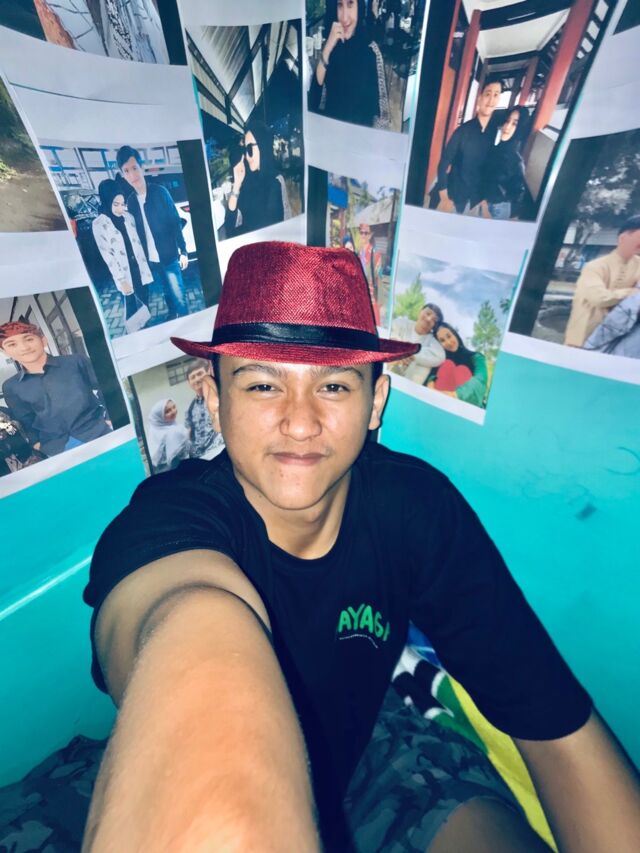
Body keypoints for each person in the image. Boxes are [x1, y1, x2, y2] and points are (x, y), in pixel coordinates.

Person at [82, 242, 640, 853]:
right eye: (263, 384)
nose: (300, 423)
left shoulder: (416, 507)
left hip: (373, 753)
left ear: (375, 403)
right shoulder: (169, 520)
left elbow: (554, 723)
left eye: (334, 386)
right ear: (215, 401)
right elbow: (182, 623)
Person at [0, 321, 112, 456]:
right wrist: (37, 443)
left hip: (97, 431)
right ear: (4, 351)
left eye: (29, 339)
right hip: (56, 446)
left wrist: (110, 417)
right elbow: (25, 419)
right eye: (12, 344)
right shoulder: (11, 386)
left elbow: (106, 386)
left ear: (43, 340)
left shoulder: (75, 362)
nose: (24, 347)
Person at [116, 145, 190, 320]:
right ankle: (172, 315)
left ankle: (185, 320)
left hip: (169, 256)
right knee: (166, 290)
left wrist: (183, 251)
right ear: (123, 175)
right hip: (152, 260)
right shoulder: (131, 202)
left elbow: (175, 223)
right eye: (126, 171)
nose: (132, 175)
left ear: (142, 167)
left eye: (134, 168)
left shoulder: (160, 193)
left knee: (178, 295)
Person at [308, 0, 390, 129]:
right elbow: (312, 104)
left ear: (359, 7)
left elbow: (382, 117)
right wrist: (328, 48)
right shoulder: (331, 46)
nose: (344, 17)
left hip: (359, 137)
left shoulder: (371, 51)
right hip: (330, 133)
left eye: (350, 4)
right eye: (340, 5)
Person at [564, 216, 640, 347]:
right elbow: (599, 298)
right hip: (583, 338)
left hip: (616, 340)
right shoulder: (595, 266)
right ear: (623, 238)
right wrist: (632, 292)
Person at [92, 178, 153, 331]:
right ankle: (138, 333)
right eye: (116, 204)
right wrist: (121, 280)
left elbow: (138, 244)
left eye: (122, 204)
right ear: (107, 201)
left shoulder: (128, 217)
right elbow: (108, 256)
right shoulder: (99, 224)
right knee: (131, 306)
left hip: (139, 268)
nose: (120, 209)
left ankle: (146, 327)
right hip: (124, 274)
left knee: (144, 300)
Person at [435, 79, 503, 214]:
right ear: (480, 98)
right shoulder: (463, 131)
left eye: (496, 95)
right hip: (456, 194)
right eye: (488, 94)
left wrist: (485, 198)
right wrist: (444, 197)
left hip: (477, 198)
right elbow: (443, 163)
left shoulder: (495, 131)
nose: (491, 100)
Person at [224, 120, 286, 238]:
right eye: (245, 150)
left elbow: (270, 229)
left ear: (263, 147)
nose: (247, 156)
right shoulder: (246, 180)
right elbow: (229, 228)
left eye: (250, 149)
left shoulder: (276, 181)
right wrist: (237, 185)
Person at [478, 106, 529, 221]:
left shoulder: (516, 161)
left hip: (499, 208)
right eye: (507, 121)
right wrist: (484, 204)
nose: (507, 126)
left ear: (520, 129)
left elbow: (517, 194)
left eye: (514, 124)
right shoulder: (496, 149)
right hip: (485, 203)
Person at [426, 321, 488, 407]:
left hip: (466, 407)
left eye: (449, 336)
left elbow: (480, 380)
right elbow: (431, 376)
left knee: (461, 370)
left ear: (455, 334)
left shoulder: (477, 358)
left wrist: (455, 395)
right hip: (439, 404)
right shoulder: (441, 360)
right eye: (442, 340)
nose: (448, 342)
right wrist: (430, 386)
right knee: (447, 364)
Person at [391, 302, 445, 383]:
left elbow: (440, 357)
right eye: (428, 313)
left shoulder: (433, 343)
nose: (428, 319)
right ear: (420, 311)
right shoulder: (401, 323)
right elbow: (390, 333)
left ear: (435, 325)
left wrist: (411, 354)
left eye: (434, 320)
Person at [184, 359, 225, 459]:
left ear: (208, 372)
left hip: (220, 450)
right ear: (189, 383)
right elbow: (190, 435)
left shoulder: (221, 395)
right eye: (193, 377)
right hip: (201, 457)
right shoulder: (190, 409)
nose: (197, 379)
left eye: (200, 374)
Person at [146, 398, 190, 474]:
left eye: (174, 407)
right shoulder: (173, 432)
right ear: (159, 417)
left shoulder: (155, 429)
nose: (173, 411)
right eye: (167, 411)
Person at [357, 222, 383, 324]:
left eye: (366, 233)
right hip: (359, 296)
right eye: (361, 233)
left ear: (370, 235)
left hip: (371, 298)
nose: (363, 235)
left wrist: (379, 303)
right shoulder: (358, 253)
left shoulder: (376, 254)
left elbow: (379, 279)